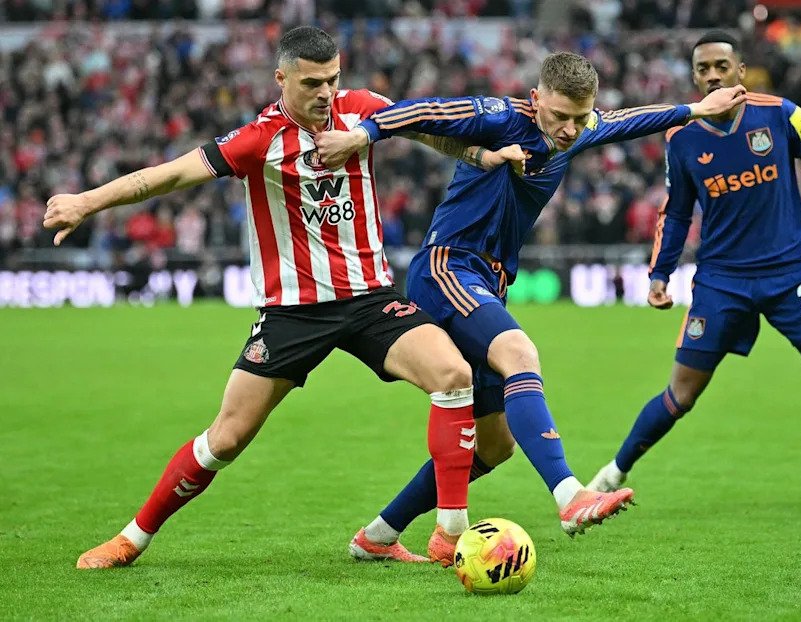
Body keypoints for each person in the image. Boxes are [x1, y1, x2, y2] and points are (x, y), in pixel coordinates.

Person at [43, 26, 525, 569]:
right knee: (225, 440)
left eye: (333, 80)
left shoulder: (361, 111)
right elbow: (167, 176)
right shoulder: (258, 140)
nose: (325, 92)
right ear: (282, 78)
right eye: (313, 82)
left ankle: (449, 534)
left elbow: (424, 131)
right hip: (291, 312)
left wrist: (480, 155)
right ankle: (132, 538)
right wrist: (86, 201)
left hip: (370, 300)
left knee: (454, 376)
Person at [314, 51, 747, 564]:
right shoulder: (499, 118)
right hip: (448, 267)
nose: (568, 130)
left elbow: (631, 120)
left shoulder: (580, 129)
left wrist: (697, 109)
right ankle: (570, 496)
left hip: (488, 282)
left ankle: (379, 536)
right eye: (558, 116)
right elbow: (421, 111)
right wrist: (361, 135)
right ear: (537, 99)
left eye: (579, 119)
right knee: (520, 352)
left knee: (494, 446)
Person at [586, 31, 801, 521]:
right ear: (694, 77)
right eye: (702, 68)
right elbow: (677, 211)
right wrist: (659, 273)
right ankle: (610, 476)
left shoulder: (780, 113)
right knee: (681, 393)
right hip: (722, 280)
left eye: (720, 66)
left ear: (739, 69)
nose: (712, 75)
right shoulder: (682, 135)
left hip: (791, 271)